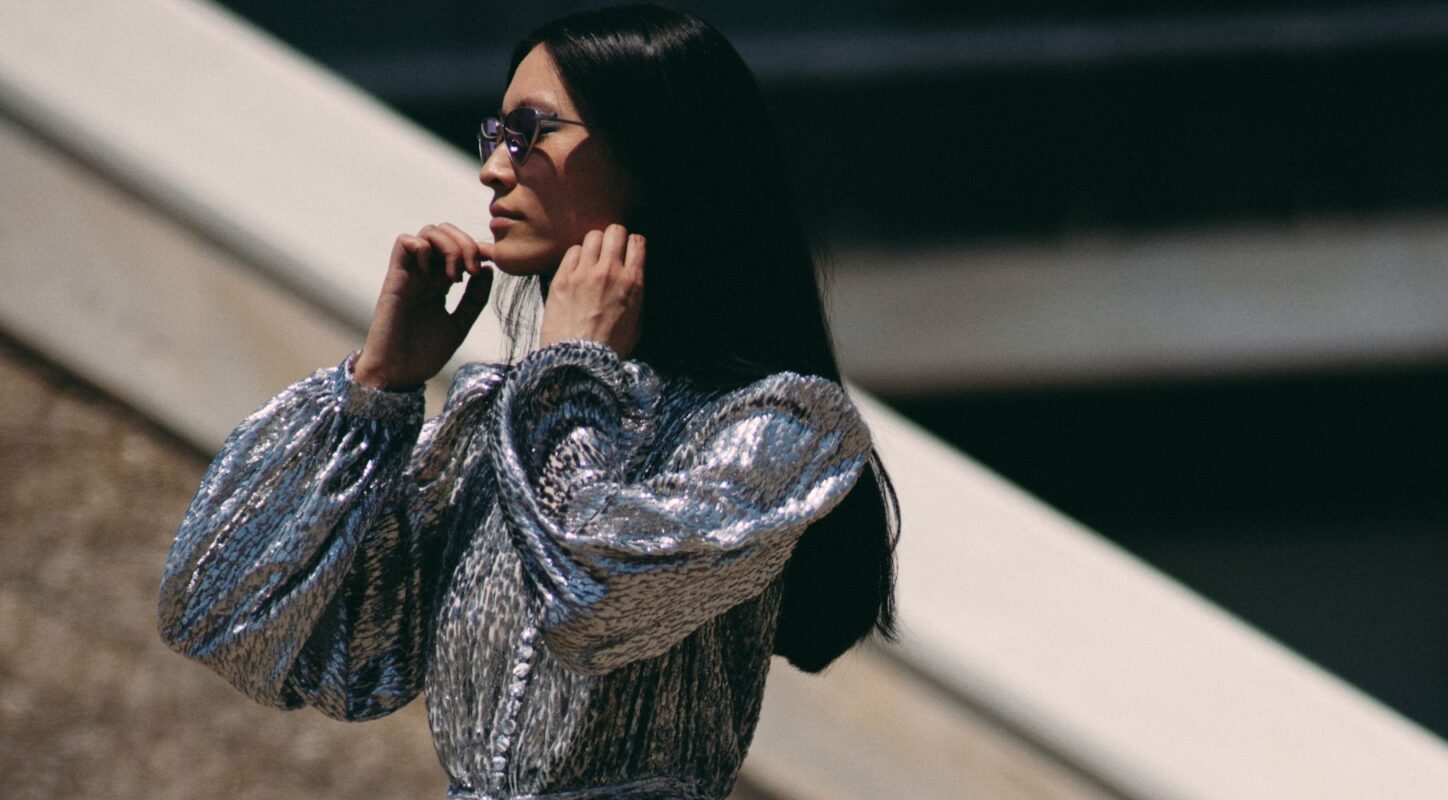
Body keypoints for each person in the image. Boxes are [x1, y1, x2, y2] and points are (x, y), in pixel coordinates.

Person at [156, 5, 899, 799]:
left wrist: (570, 380)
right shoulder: (497, 425)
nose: (492, 169)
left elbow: (594, 602)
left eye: (529, 134)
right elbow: (222, 619)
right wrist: (375, 391)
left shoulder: (780, 426)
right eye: (495, 135)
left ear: (654, 151)